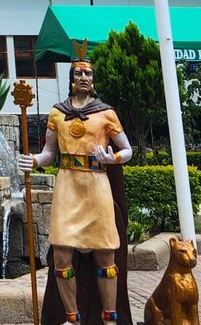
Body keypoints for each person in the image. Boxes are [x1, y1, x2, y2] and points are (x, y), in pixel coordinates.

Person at [18, 45, 133, 325]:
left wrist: (112, 157)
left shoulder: (106, 113)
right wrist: (32, 161)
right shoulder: (58, 113)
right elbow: (49, 153)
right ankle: (71, 317)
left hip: (96, 186)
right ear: (71, 78)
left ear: (93, 81)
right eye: (79, 72)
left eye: (88, 73)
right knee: (61, 254)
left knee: (106, 254)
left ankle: (110, 317)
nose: (84, 77)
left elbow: (127, 150)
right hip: (68, 184)